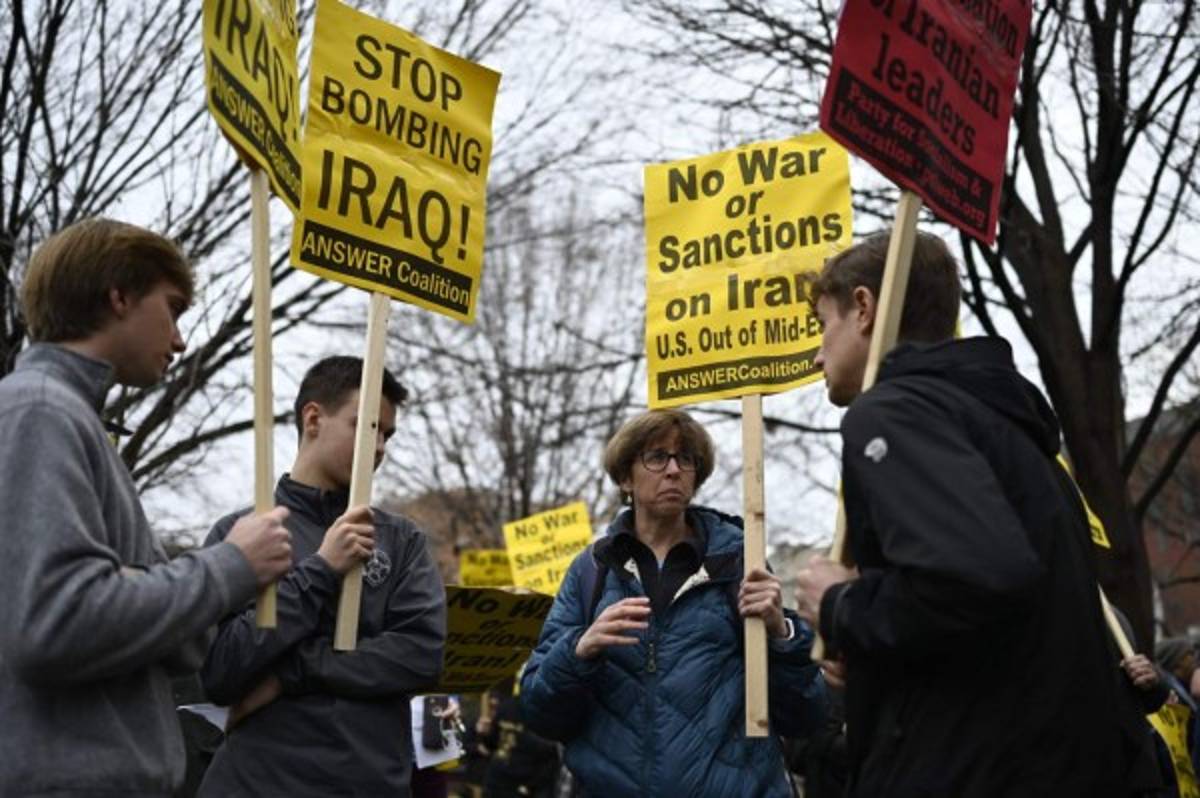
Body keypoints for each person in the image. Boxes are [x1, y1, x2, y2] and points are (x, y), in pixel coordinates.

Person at [794, 229, 1156, 797]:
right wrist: (869, 653)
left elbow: (977, 579)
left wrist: (841, 606)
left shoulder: (893, 412)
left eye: (822, 324)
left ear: (863, 307)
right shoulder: (1019, 434)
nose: (818, 352)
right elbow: (997, 622)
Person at [0, 218, 293, 796]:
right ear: (119, 295)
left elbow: (182, 646)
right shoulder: (39, 413)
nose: (181, 340)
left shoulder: (70, 419)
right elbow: (55, 622)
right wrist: (230, 566)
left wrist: (147, 590)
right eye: (174, 308)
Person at [520, 409, 828, 797]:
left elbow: (806, 716)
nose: (673, 470)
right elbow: (539, 713)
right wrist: (579, 651)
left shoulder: (739, 562)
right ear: (624, 477)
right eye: (656, 457)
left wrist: (781, 635)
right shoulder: (591, 571)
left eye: (685, 459)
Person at [198, 355, 446, 796]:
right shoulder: (241, 534)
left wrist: (291, 671)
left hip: (368, 784)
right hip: (256, 784)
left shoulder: (400, 540)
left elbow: (420, 655)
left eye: (388, 434)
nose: (381, 447)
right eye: (368, 427)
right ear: (313, 418)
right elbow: (220, 671)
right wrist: (320, 570)